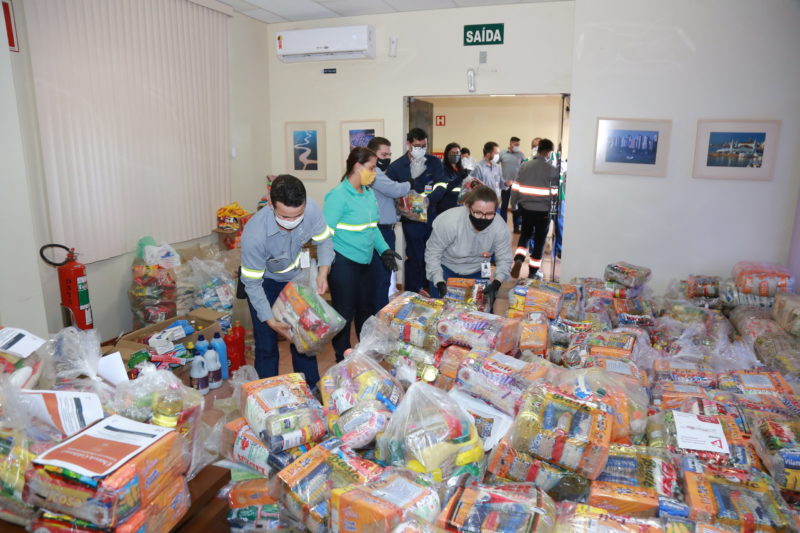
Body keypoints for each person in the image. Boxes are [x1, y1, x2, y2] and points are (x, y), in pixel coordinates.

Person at [240, 174, 334, 386]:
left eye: (297, 216)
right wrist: (270, 320)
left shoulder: (311, 209)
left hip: (297, 280)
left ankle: (310, 388)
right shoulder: (255, 234)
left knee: (305, 340)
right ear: (271, 204)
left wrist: (322, 271)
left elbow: (325, 240)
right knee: (266, 345)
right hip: (265, 284)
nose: (291, 222)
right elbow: (252, 284)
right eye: (285, 217)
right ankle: (267, 394)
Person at [325, 147, 401, 362]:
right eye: (371, 167)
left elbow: (372, 227)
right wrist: (324, 268)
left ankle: (363, 356)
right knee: (344, 314)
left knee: (365, 311)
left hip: (366, 261)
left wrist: (384, 249)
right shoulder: (338, 195)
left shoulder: (367, 194)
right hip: (343, 263)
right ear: (357, 166)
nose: (374, 172)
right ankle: (342, 358)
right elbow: (325, 235)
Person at [425, 185, 512, 311]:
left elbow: (505, 258)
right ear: (468, 207)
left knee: (480, 317)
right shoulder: (449, 222)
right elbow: (432, 253)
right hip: (446, 269)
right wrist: (438, 280)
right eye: (478, 212)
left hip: (479, 269)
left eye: (489, 214)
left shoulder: (499, 227)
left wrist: (497, 283)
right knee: (441, 315)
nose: (483, 218)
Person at [386, 128, 444, 294]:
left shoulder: (433, 163)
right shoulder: (396, 167)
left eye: (424, 146)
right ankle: (413, 291)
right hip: (411, 221)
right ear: (408, 144)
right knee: (415, 256)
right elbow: (390, 194)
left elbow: (441, 185)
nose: (421, 149)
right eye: (417, 146)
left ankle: (431, 289)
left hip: (432, 216)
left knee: (433, 254)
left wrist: (429, 200)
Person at [367, 136, 410, 313]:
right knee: (381, 278)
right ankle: (378, 315)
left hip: (387, 230)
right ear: (373, 155)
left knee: (383, 277)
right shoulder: (373, 173)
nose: (387, 158)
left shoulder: (379, 173)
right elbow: (394, 189)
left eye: (389, 154)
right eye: (383, 154)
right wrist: (410, 183)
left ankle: (378, 311)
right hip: (380, 232)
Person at [509, 138, 559, 279]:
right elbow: (554, 193)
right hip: (543, 211)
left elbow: (516, 187)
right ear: (549, 152)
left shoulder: (525, 166)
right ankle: (533, 271)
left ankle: (518, 259)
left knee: (525, 235)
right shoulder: (552, 170)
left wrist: (514, 205)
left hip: (526, 209)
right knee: (539, 240)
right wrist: (553, 212)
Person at [427, 142, 468, 223]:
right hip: (444, 207)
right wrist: (459, 178)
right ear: (447, 154)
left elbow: (462, 187)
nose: (455, 155)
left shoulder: (460, 168)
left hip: (457, 206)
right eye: (452, 153)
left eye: (457, 153)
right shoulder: (442, 169)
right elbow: (444, 188)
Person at [499, 136, 525, 230]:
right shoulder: (502, 153)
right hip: (505, 184)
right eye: (516, 144)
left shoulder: (521, 155)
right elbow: (494, 165)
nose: (518, 146)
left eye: (519, 144)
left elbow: (525, 168)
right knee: (504, 206)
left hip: (517, 184)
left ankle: (517, 226)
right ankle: (502, 226)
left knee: (516, 206)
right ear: (510, 144)